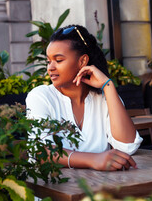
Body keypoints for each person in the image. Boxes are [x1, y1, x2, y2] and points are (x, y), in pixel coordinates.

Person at [26, 25, 143, 171]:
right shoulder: (41, 97)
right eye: (49, 61)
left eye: (59, 60)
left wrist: (108, 86)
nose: (50, 67)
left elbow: (128, 146)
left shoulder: (103, 98)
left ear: (82, 61)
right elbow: (41, 152)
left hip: (99, 188)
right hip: (55, 190)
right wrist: (93, 160)